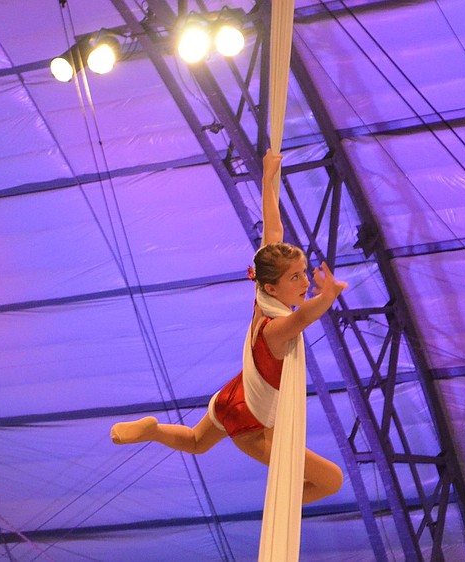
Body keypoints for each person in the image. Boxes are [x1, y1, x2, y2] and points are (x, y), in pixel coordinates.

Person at [110, 149, 345, 505]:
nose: (304, 282)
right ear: (272, 287)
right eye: (295, 278)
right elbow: (303, 318)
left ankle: (154, 430)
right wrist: (327, 296)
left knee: (195, 442)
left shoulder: (263, 297)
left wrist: (268, 178)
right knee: (331, 481)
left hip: (234, 396)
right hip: (249, 421)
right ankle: (282, 505)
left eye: (303, 273)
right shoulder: (275, 328)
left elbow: (273, 229)